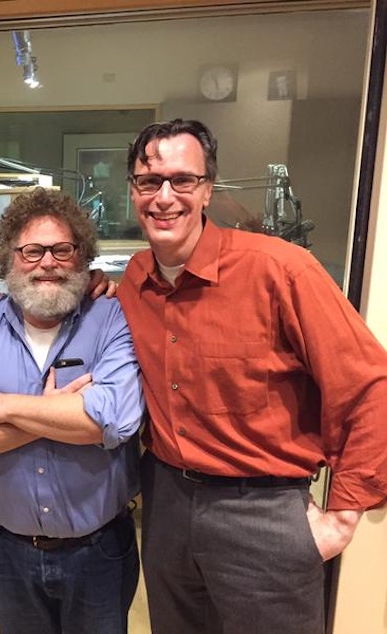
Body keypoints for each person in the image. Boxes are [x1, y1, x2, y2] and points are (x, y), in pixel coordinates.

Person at [117, 118, 387, 634]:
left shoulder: (282, 271)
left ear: (207, 190)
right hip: (167, 504)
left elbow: (370, 385)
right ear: (133, 191)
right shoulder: (133, 281)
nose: (164, 196)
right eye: (149, 182)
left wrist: (344, 514)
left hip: (263, 512)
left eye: (182, 180)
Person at [0, 187, 145, 634]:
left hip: (99, 552)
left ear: (82, 257)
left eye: (63, 249)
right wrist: (51, 413)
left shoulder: (112, 319)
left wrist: (2, 406)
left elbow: (114, 421)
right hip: (7, 552)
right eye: (32, 250)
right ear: (7, 259)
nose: (48, 262)